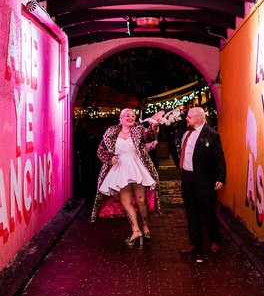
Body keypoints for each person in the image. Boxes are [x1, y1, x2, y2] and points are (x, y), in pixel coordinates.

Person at [91, 108, 163, 247]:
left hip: (137, 168)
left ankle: (145, 225)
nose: (131, 117)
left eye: (133, 115)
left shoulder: (139, 130)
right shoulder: (111, 132)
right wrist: (109, 158)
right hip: (120, 169)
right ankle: (136, 230)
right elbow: (101, 151)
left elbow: (149, 136)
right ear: (121, 118)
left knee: (141, 200)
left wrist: (153, 127)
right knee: (125, 201)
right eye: (127, 115)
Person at [172, 106, 226, 254]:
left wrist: (221, 177)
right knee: (191, 211)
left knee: (208, 211)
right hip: (187, 177)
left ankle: (215, 240)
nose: (186, 119)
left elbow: (219, 158)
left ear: (198, 119)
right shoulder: (185, 130)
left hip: (203, 179)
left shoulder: (211, 134)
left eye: (189, 117)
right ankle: (195, 243)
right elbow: (176, 141)